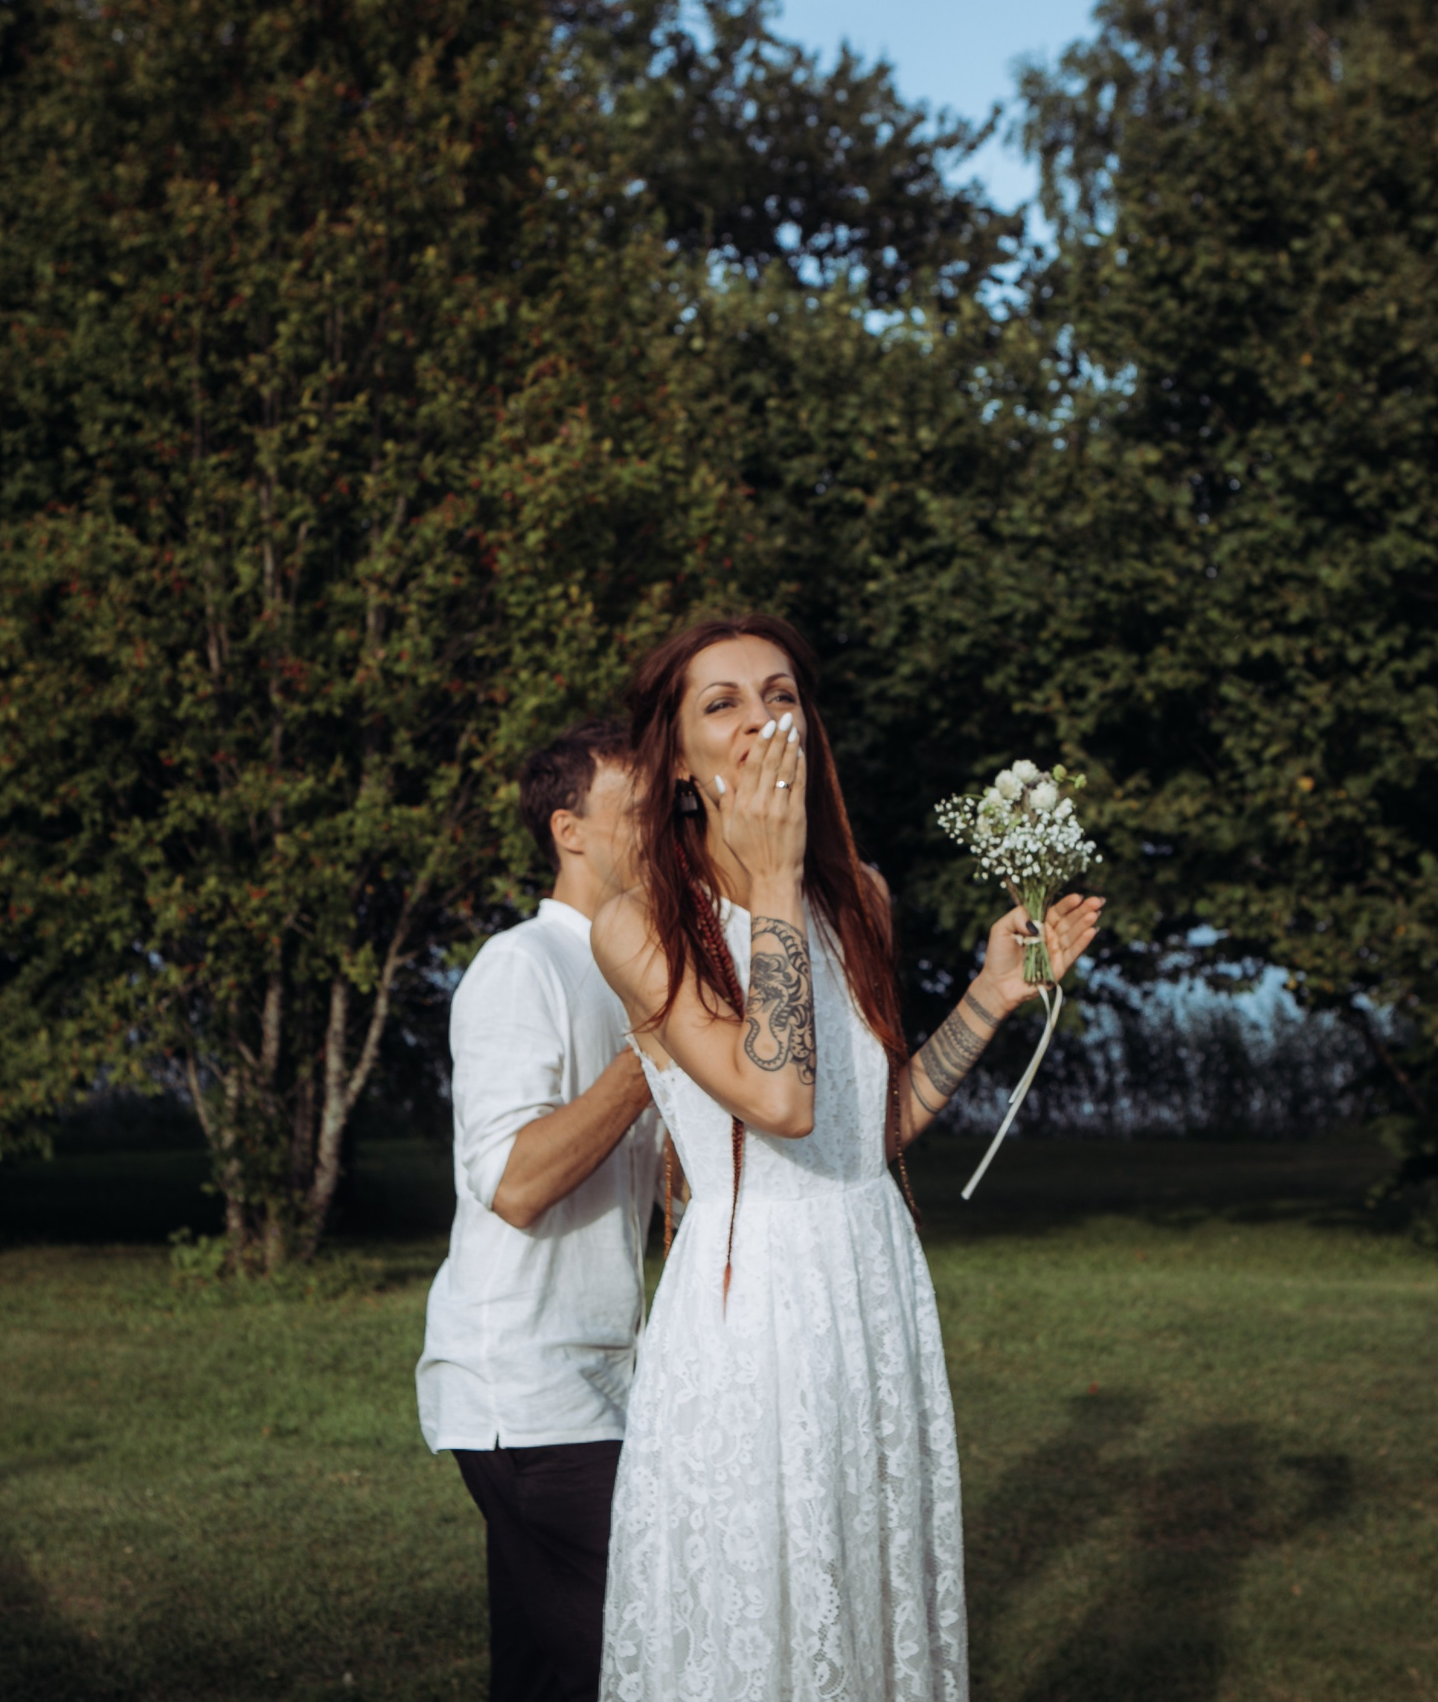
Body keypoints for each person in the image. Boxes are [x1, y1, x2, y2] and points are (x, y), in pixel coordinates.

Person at [590, 616, 1104, 1702]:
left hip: (871, 1289)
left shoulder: (858, 898)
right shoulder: (637, 928)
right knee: (757, 1617)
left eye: (780, 693)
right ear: (678, 760)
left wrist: (989, 998)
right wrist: (770, 882)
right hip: (751, 1313)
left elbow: (867, 1133)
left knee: (867, 1608)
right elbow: (776, 1099)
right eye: (720, 702)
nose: (761, 717)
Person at [418, 719, 664, 1702]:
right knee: (639, 1663)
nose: (662, 830)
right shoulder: (520, 967)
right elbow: (515, 1184)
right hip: (526, 1388)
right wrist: (653, 1048)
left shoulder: (630, 968)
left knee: (541, 1682)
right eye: (639, 812)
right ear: (570, 830)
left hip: (606, 1373)